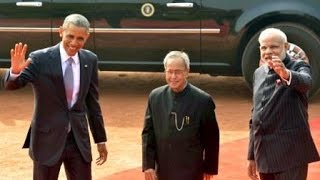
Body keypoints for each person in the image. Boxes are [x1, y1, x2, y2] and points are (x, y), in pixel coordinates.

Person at [1, 14, 108, 180]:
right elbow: (13, 85)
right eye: (70, 36)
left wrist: (100, 139)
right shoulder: (40, 58)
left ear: (87, 37)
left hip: (78, 140)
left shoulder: (90, 60)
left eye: (80, 38)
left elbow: (92, 103)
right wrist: (15, 72)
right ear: (60, 32)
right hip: (47, 140)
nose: (74, 43)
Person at [247, 28, 320, 180]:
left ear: (286, 47)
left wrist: (285, 73)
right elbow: (256, 117)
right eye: (263, 47)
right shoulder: (258, 73)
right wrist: (252, 156)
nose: (268, 51)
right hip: (265, 154)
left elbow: (306, 82)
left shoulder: (298, 66)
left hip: (291, 152)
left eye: (274, 46)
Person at [142, 51, 220, 180]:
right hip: (163, 168)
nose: (173, 76)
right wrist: (148, 165)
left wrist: (209, 167)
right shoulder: (155, 97)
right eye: (169, 71)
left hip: (191, 170)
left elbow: (211, 138)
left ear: (187, 72)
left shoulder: (203, 100)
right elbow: (148, 133)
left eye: (178, 72)